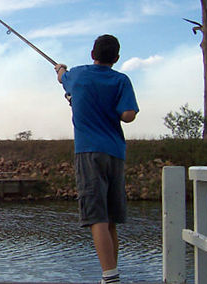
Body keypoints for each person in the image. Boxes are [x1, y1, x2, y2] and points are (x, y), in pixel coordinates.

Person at [54, 34, 139, 284]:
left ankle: (110, 277)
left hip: (88, 153)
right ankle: (112, 273)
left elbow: (62, 78)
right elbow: (128, 115)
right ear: (116, 58)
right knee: (111, 219)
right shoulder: (122, 80)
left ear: (93, 54)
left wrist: (61, 70)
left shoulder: (76, 75)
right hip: (115, 152)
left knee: (96, 217)